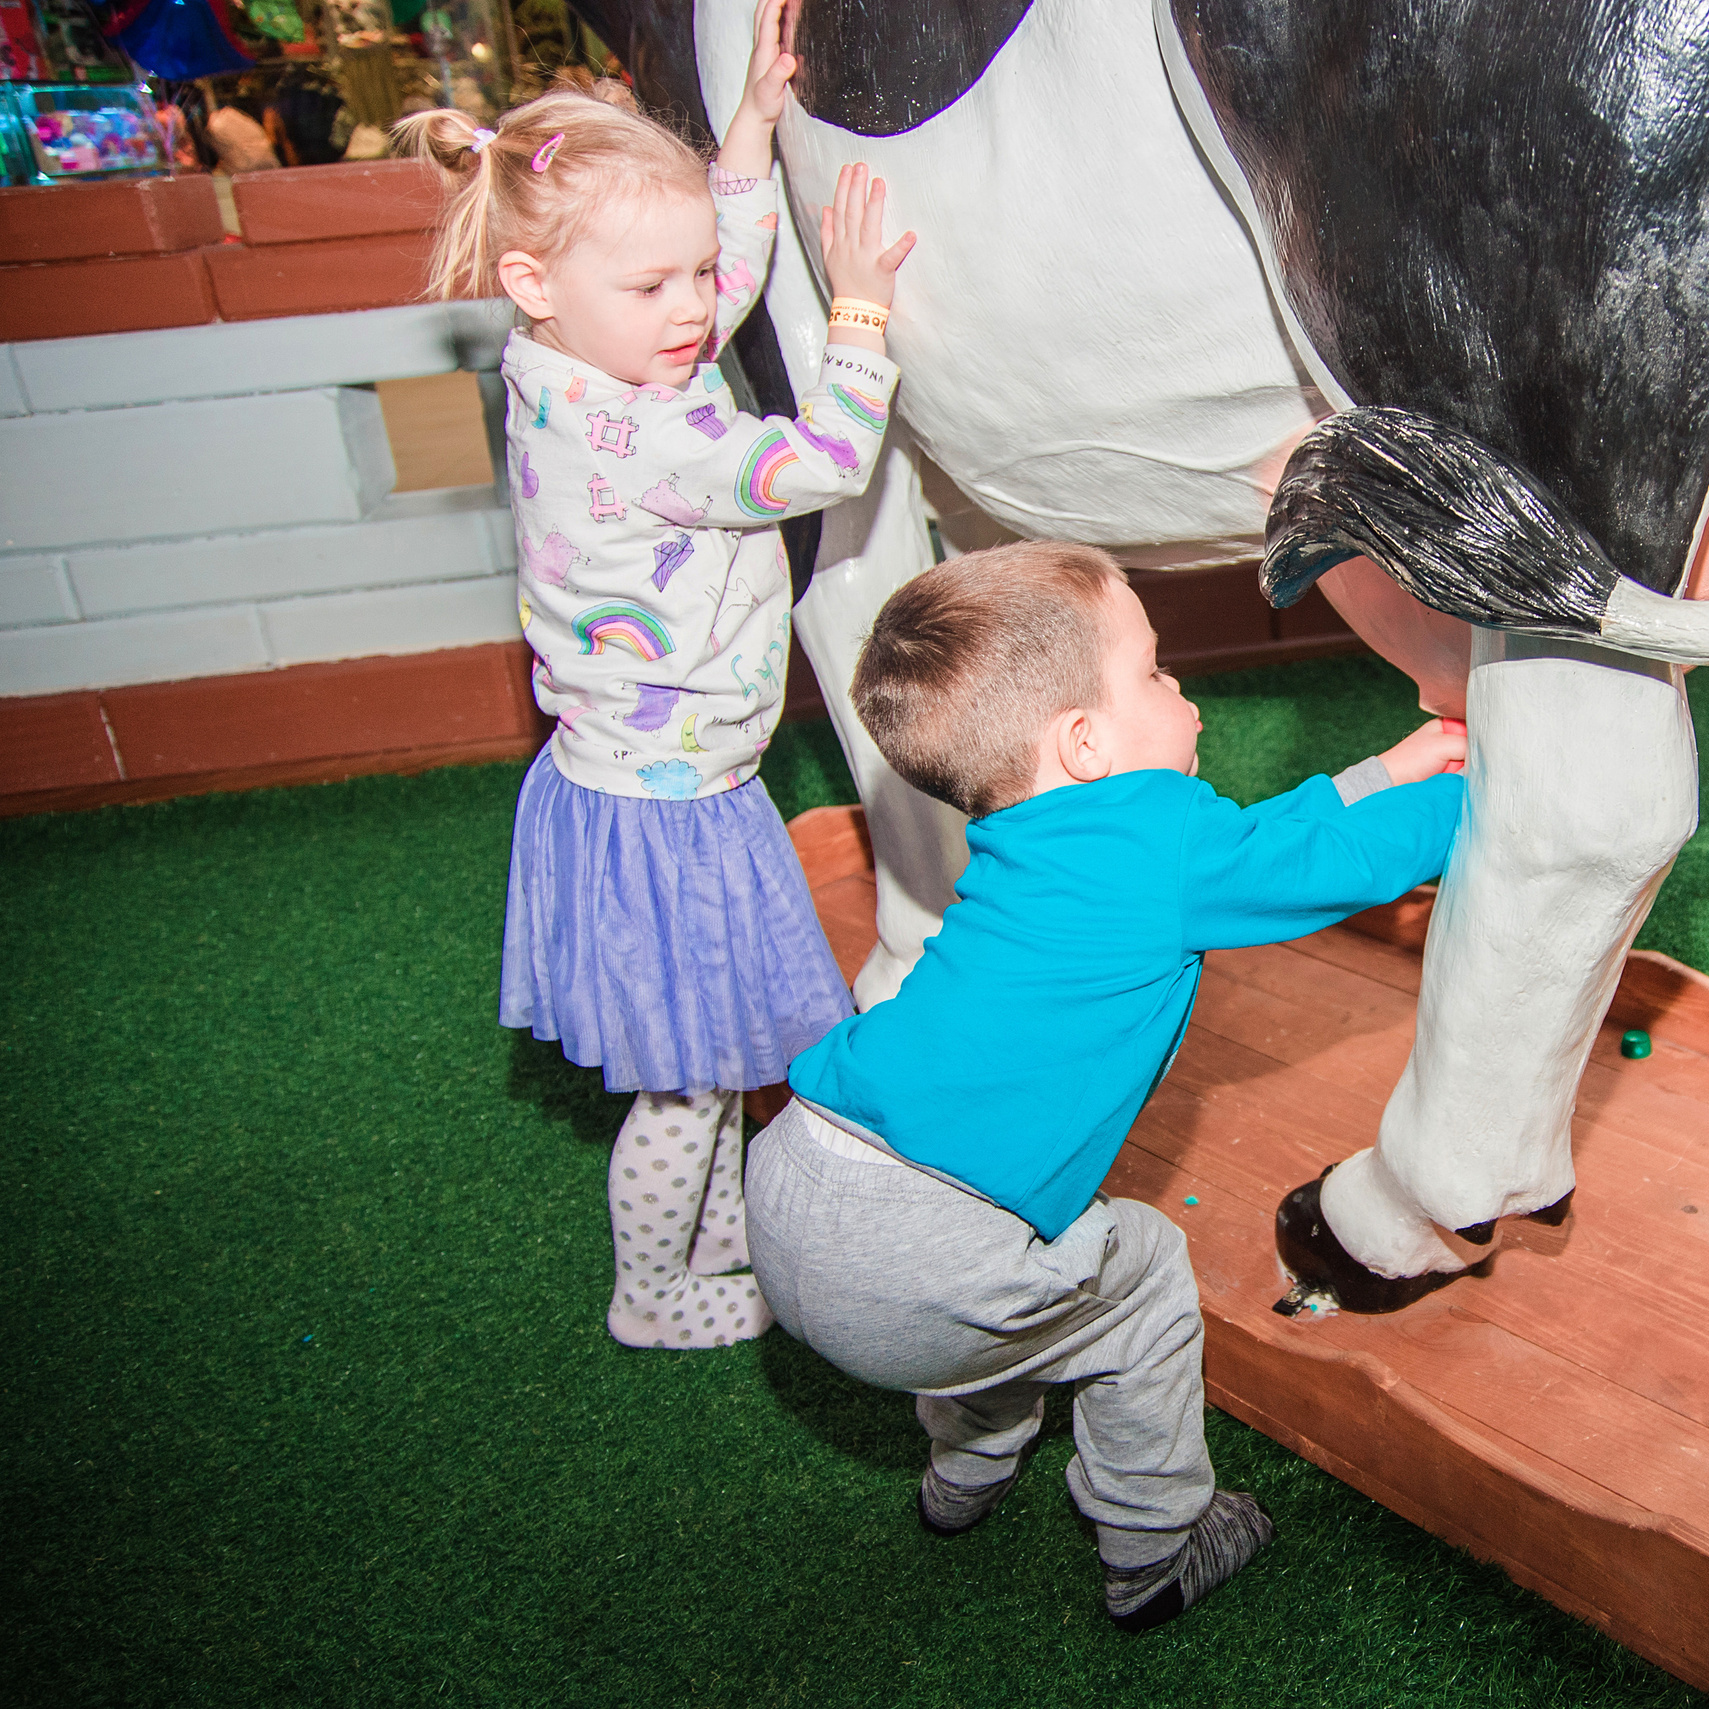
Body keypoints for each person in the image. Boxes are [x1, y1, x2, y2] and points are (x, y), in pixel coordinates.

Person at [745, 541, 1468, 1631]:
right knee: (1141, 1277)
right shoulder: (1154, 852)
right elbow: (1325, 866)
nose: (1182, 690)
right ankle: (1155, 1542)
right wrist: (1476, 800)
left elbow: (1245, 846)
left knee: (1021, 1285)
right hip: (918, 1260)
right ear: (1084, 742)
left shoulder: (1030, 840)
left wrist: (1384, 772)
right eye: (1154, 671)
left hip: (797, 1181)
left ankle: (966, 1468)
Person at [396, 0, 917, 1350]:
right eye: (655, 287)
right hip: (664, 804)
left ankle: (722, 1239)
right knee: (684, 1085)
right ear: (534, 281)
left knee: (718, 1052)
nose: (694, 307)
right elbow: (823, 459)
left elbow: (709, 279)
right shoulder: (642, 444)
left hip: (652, 779)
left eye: (694, 274)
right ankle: (653, 1292)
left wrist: (744, 132)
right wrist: (858, 310)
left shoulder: (570, 361)